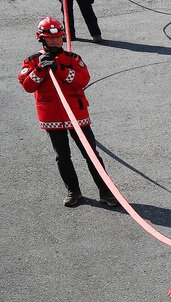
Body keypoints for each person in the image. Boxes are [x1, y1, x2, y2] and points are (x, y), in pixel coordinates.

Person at [17, 16, 118, 209]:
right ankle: (73, 191)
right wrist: (40, 69)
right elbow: (28, 86)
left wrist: (59, 69)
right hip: (52, 117)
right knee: (62, 156)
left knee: (91, 154)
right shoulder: (32, 61)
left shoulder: (73, 58)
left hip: (77, 115)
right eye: (50, 38)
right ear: (41, 39)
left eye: (58, 37)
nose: (55, 41)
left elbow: (82, 80)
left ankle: (106, 192)